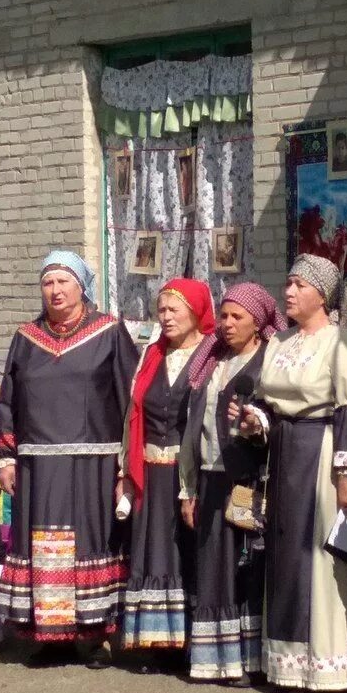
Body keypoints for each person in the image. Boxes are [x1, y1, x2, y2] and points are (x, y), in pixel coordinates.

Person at [233, 254, 347, 693]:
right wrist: (258, 422)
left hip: (321, 453)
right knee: (285, 554)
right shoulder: (280, 342)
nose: (288, 293)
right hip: (283, 455)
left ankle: (326, 666)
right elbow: (271, 403)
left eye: (299, 285)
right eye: (288, 283)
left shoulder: (342, 343)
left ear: (322, 295)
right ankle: (287, 664)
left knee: (317, 556)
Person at [0, 252, 139, 664]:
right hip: (38, 463)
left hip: (93, 460)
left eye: (64, 282)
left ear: (82, 287)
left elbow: (130, 397)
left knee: (88, 544)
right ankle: (49, 635)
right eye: (48, 283)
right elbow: (9, 399)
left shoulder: (109, 332)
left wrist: (126, 465)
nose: (55, 291)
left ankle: (91, 636)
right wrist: (6, 458)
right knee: (45, 545)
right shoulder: (26, 337)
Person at [178, 282, 285, 684]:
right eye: (222, 315)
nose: (226, 324)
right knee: (213, 566)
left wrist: (256, 425)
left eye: (236, 317)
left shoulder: (268, 362)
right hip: (209, 478)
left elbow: (275, 421)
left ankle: (249, 661)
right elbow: (193, 430)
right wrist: (187, 489)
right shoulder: (211, 364)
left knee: (247, 567)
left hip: (250, 480)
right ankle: (215, 659)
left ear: (257, 323)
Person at [118, 278, 215, 656]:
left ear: (195, 311)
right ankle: (157, 642)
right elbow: (134, 413)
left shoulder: (210, 356)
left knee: (186, 549)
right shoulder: (151, 355)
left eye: (174, 309)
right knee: (153, 550)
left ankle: (191, 641)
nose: (166, 317)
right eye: (161, 310)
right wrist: (125, 471)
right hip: (151, 470)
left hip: (190, 471)